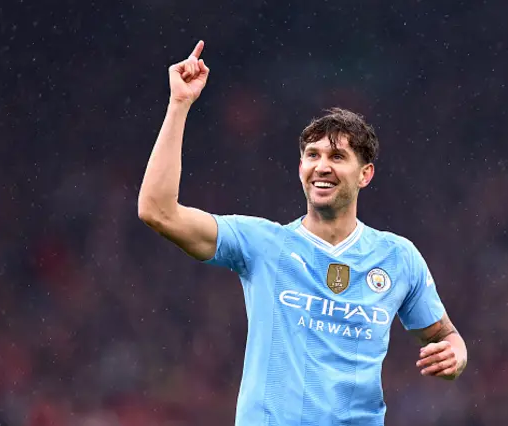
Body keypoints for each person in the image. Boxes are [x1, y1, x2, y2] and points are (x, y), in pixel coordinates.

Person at [138, 40, 468, 426]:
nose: (321, 166)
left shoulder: (398, 257)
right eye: (312, 155)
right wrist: (179, 106)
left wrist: (456, 356)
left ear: (366, 174)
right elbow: (157, 211)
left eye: (337, 156)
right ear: (300, 168)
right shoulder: (261, 244)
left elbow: (445, 336)